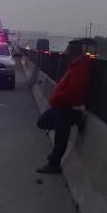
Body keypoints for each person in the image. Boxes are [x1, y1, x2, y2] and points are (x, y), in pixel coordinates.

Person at [35, 42, 92, 174]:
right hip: (61, 106)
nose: (65, 52)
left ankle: (53, 164)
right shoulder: (74, 66)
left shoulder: (80, 69)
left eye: (67, 49)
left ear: (72, 51)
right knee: (42, 122)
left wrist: (57, 100)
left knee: (61, 136)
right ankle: (75, 119)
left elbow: (73, 90)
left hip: (66, 107)